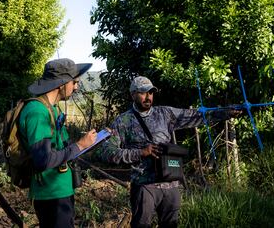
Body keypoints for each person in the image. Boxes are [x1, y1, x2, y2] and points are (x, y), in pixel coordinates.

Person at [99, 76, 242, 228]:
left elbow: (195, 115)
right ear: (133, 94)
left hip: (170, 184)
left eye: (151, 93)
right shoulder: (123, 121)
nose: (148, 97)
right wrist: (140, 153)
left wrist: (225, 113)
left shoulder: (165, 113)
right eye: (143, 93)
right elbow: (107, 152)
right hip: (144, 186)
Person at [19, 58, 97, 228]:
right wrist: (80, 145)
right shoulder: (37, 112)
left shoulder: (52, 108)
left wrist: (86, 144)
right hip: (50, 195)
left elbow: (62, 148)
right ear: (61, 84)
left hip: (60, 191)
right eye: (74, 82)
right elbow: (43, 160)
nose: (76, 87)